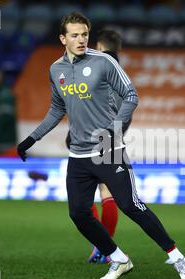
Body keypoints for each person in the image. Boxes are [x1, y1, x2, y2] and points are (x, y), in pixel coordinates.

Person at [17, 12, 185, 279]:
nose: (81, 40)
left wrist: (114, 128)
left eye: (85, 34)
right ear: (63, 38)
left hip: (108, 147)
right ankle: (118, 258)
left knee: (131, 206)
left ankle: (177, 256)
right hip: (78, 154)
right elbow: (57, 108)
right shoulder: (56, 70)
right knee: (78, 213)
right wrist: (32, 139)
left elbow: (131, 95)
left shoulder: (103, 62)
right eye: (74, 35)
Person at [65, 29, 123, 264]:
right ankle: (104, 248)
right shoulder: (118, 68)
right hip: (110, 134)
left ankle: (103, 247)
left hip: (88, 133)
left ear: (99, 45)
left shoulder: (98, 64)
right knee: (105, 192)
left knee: (86, 195)